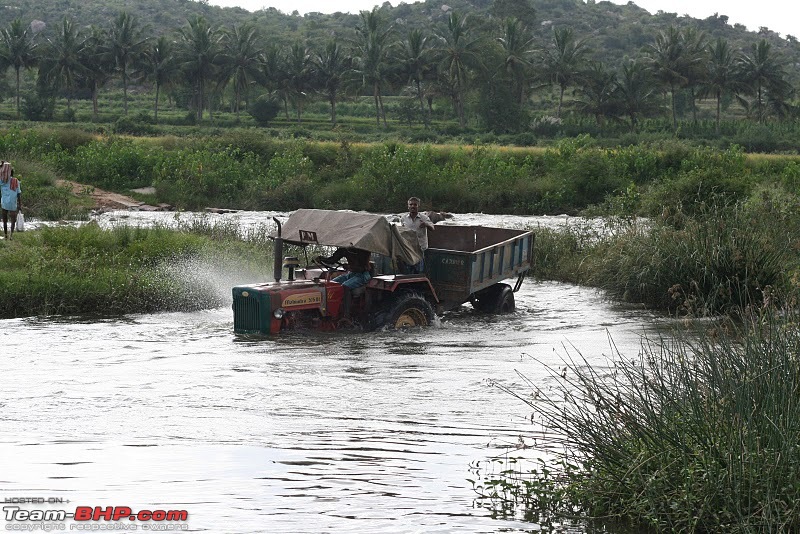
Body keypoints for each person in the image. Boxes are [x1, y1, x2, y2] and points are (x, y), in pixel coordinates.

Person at [401, 196, 435, 273]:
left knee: (418, 271)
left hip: (420, 249)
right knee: (407, 271)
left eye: (415, 205)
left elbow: (432, 228)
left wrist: (426, 224)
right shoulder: (403, 218)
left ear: (418, 206)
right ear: (408, 206)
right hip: (408, 248)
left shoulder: (424, 218)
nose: (413, 206)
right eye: (411, 204)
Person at [0, 162, 21, 239]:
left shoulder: (2, 181)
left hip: (5, 203)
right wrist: (20, 205)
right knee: (13, 220)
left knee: (5, 220)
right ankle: (11, 235)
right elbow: (19, 194)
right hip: (12, 203)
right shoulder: (16, 181)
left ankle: (6, 235)